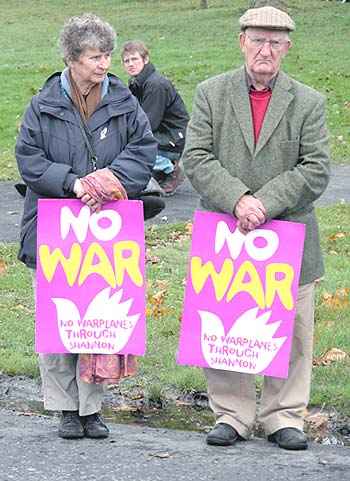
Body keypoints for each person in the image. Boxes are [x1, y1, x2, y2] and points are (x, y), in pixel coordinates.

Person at [182, 6, 330, 450]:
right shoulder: (211, 92)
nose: (265, 50)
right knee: (225, 321)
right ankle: (233, 413)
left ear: (288, 47)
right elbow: (196, 157)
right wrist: (239, 199)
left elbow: (317, 168)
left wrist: (265, 202)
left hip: (290, 233)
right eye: (257, 40)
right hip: (226, 233)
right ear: (241, 42)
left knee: (294, 331)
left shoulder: (309, 102)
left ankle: (284, 415)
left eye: (275, 42)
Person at [16, 13, 160, 440]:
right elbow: (29, 159)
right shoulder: (43, 105)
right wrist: (73, 182)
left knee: (100, 316)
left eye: (108, 55)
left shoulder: (122, 98)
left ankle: (92, 409)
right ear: (72, 59)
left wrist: (110, 181)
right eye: (95, 56)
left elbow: (144, 147)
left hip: (106, 226)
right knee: (60, 314)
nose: (104, 64)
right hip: (55, 223)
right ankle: (63, 407)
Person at [121, 41, 189, 196]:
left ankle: (171, 168)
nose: (131, 64)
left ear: (146, 59)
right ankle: (156, 171)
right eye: (127, 61)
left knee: (132, 145)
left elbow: (148, 123)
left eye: (135, 59)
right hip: (161, 132)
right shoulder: (137, 82)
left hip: (173, 136)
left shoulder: (155, 85)